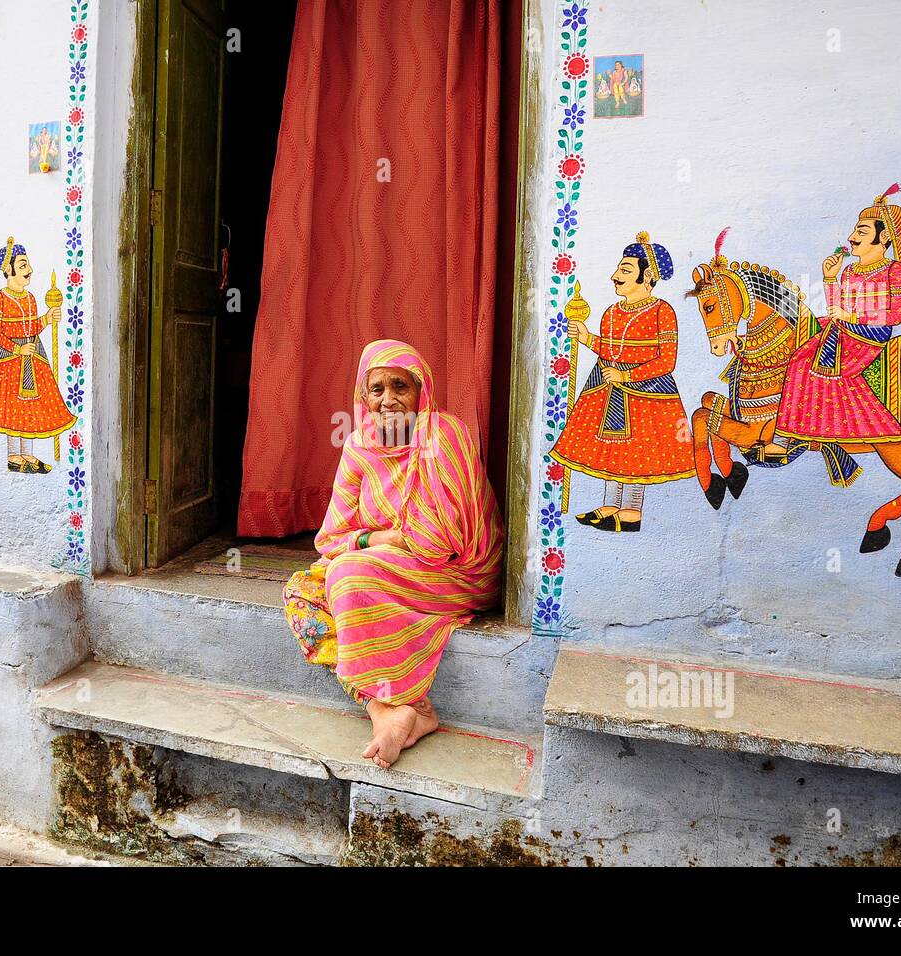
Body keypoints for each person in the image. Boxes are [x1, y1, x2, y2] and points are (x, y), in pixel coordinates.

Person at [282, 340, 503, 770]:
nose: (387, 400)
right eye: (376, 389)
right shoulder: (360, 446)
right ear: (362, 398)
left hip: (461, 573)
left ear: (422, 392)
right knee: (303, 594)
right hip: (393, 565)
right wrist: (377, 541)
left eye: (399, 386)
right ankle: (390, 708)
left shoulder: (443, 436)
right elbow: (330, 538)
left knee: (347, 577)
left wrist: (366, 548)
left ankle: (400, 709)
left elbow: (438, 543)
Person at [551, 232, 696, 531]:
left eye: (625, 271)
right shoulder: (611, 313)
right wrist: (587, 336)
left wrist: (627, 375)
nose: (615, 276)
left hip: (648, 392)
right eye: (619, 269)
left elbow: (666, 361)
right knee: (614, 451)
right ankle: (610, 505)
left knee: (637, 453)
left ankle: (631, 511)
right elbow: (610, 348)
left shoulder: (662, 312)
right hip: (610, 387)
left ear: (648, 277)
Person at [776, 183, 901, 453]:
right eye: (855, 230)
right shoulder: (850, 271)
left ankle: (804, 435)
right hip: (843, 327)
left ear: (883, 238)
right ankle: (800, 431)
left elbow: (895, 314)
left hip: (869, 336)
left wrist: (853, 315)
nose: (851, 236)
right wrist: (830, 278)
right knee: (796, 354)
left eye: (861, 231)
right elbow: (837, 308)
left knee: (810, 365)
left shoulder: (894, 270)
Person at [0, 237, 76, 472]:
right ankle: (13, 456)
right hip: (9, 360)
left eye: (27, 265)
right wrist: (18, 348)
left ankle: (27, 455)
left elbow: (33, 326)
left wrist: (47, 319)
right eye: (22, 266)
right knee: (10, 409)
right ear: (8, 270)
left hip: (32, 357)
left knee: (29, 408)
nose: (29, 271)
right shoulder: (0, 298)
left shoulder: (29, 298)